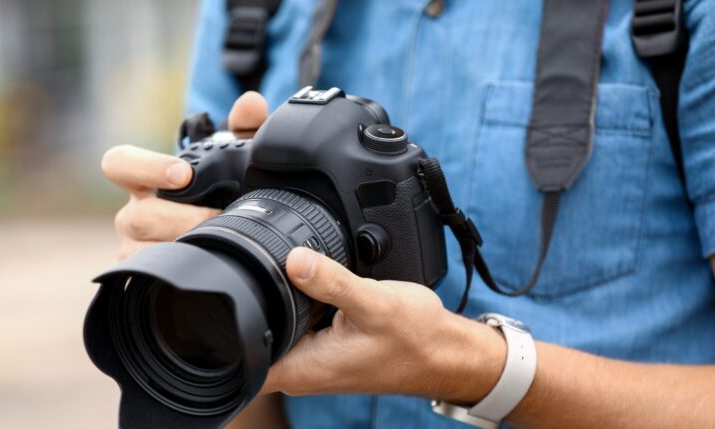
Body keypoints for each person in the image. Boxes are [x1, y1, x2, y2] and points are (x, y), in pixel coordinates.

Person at [100, 0, 715, 427]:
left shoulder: (675, 21)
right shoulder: (249, 13)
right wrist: (195, 295)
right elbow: (233, 405)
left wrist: (477, 368)